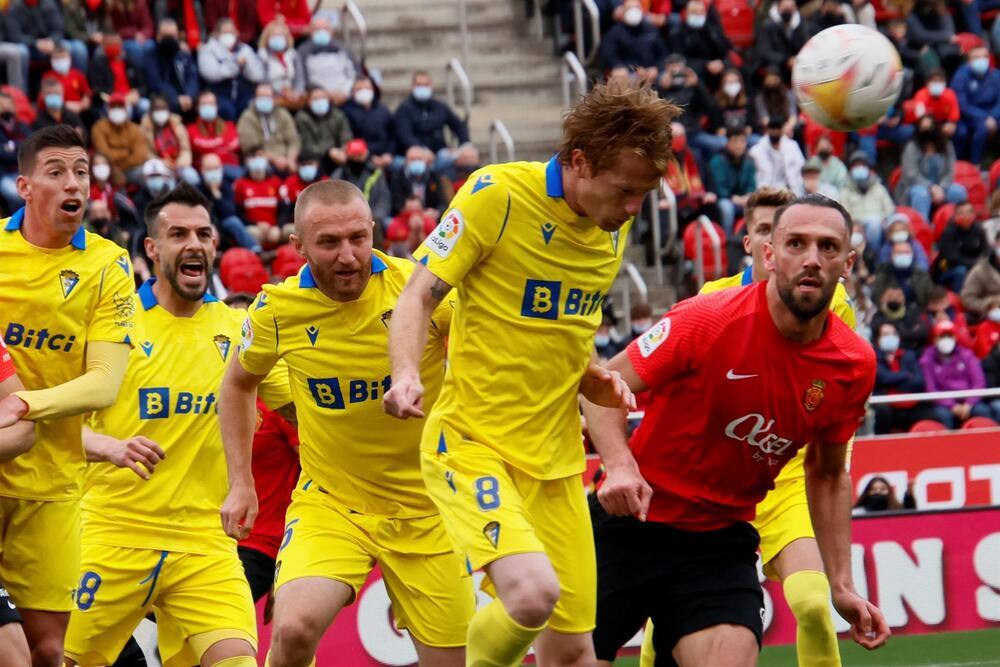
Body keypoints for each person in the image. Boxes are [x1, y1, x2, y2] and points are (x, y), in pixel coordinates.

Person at [382, 79, 675, 667]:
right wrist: (406, 373)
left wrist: (591, 376)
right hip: (472, 444)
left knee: (573, 655)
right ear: (580, 161)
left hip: (559, 464)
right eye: (624, 191)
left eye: (643, 195)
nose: (632, 209)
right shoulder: (497, 195)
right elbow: (418, 293)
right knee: (532, 594)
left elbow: (563, 333)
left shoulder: (607, 233)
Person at [585, 195, 889, 666]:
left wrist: (842, 583)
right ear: (769, 254)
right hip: (632, 522)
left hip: (719, 541)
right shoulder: (707, 317)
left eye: (828, 247)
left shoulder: (853, 364)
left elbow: (827, 474)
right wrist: (620, 466)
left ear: (847, 263)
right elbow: (601, 389)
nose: (811, 259)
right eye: (796, 244)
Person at [219, 180, 475, 666]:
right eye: (329, 243)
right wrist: (240, 483)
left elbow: (486, 359)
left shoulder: (421, 290)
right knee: (293, 629)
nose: (349, 255)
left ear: (374, 230)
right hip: (333, 503)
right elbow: (236, 385)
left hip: (429, 509)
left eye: (359, 237)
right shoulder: (278, 309)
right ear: (297, 247)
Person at [63, 184, 291, 667]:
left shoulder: (238, 330)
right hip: (111, 534)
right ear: (152, 247)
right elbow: (53, 429)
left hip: (205, 543)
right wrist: (108, 446)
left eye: (204, 234)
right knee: (55, 656)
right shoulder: (113, 326)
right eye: (178, 233)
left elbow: (307, 415)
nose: (194, 243)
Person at [0, 126, 137, 667]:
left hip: (52, 481)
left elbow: (103, 383)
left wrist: (22, 406)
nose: (72, 182)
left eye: (80, 171)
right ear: (26, 186)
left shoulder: (107, 265)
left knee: (47, 650)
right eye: (56, 171)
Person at [920, 319, 992, 426]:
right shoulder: (927, 360)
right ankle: (946, 443)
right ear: (935, 339)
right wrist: (952, 406)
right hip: (943, 403)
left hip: (969, 400)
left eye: (949, 336)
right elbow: (931, 388)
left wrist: (969, 404)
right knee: (943, 415)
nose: (946, 340)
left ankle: (988, 441)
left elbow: (979, 382)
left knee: (982, 411)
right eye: (942, 336)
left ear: (955, 338)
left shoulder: (967, 355)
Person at [896, 115, 967, 221]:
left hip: (942, 186)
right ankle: (923, 227)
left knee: (959, 191)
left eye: (929, 128)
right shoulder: (911, 147)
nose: (927, 132)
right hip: (917, 186)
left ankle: (953, 224)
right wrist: (931, 187)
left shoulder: (946, 145)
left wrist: (941, 188)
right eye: (923, 128)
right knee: (921, 194)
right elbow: (911, 174)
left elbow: (950, 171)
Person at [872, 321, 938, 434]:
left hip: (910, 404)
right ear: (877, 339)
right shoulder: (873, 357)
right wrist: (906, 375)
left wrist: (895, 382)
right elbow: (884, 378)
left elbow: (919, 381)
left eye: (894, 334)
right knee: (882, 414)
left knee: (934, 416)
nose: (891, 337)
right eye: (886, 334)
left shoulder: (909, 355)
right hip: (887, 406)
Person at [197, 18, 265, 121]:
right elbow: (211, 74)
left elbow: (258, 75)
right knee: (227, 111)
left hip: (244, 94)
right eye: (225, 32)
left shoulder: (245, 49)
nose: (229, 35)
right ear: (217, 34)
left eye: (231, 32)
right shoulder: (208, 49)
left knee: (250, 109)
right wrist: (235, 65)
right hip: (219, 94)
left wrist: (246, 66)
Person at [394, 70, 470, 155]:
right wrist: (422, 150)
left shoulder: (440, 107)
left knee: (469, 155)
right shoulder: (404, 109)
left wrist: (465, 144)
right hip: (415, 153)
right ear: (413, 86)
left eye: (426, 84)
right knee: (416, 157)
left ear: (431, 86)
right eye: (419, 85)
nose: (422, 88)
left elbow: (458, 125)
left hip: (440, 152)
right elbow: (405, 136)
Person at [199, 153, 262, 252]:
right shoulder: (197, 189)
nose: (213, 172)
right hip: (208, 225)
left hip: (225, 226)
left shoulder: (226, 186)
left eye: (216, 168)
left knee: (233, 222)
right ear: (202, 170)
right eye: (209, 169)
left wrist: (216, 194)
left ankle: (256, 250)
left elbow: (230, 212)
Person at [950, 45, 1000, 165]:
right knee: (977, 129)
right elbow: (963, 105)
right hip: (969, 116)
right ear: (969, 60)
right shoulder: (960, 76)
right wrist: (984, 118)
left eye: (984, 56)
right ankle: (973, 164)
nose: (981, 60)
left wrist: (993, 117)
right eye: (977, 57)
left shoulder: (996, 75)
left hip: (993, 115)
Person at [237, 83, 300, 175]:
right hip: (262, 160)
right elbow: (252, 149)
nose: (264, 100)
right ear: (255, 98)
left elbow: (294, 140)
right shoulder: (247, 117)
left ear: (274, 98)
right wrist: (275, 159)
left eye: (267, 97)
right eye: (260, 96)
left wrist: (290, 160)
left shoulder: (283, 114)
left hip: (286, 158)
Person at [599, 0, 667, 83]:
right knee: (619, 76)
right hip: (628, 73)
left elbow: (662, 54)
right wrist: (621, 67)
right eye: (629, 8)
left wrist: (657, 68)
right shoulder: (614, 33)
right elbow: (608, 56)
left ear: (642, 10)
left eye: (636, 8)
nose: (633, 11)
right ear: (623, 11)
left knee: (666, 78)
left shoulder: (652, 30)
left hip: (650, 73)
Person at [667, 0, 732, 85]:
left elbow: (726, 51)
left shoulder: (712, 29)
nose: (698, 15)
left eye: (701, 12)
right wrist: (705, 65)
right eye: (694, 12)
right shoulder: (677, 33)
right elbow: (679, 60)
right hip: (694, 73)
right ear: (686, 14)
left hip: (717, 71)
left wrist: (722, 63)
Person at [91, 92, 150, 187]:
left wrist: (120, 163)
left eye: (120, 107)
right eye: (114, 107)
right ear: (108, 109)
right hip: (109, 170)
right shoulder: (99, 127)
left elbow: (141, 155)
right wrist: (126, 152)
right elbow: (104, 154)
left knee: (146, 172)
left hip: (130, 169)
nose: (117, 110)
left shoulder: (134, 129)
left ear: (126, 110)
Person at [331, 138, 392, 229]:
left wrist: (374, 218)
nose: (356, 159)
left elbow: (384, 198)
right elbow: (333, 201)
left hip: (374, 219)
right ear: (347, 155)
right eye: (353, 155)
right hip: (345, 220)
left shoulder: (376, 173)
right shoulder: (338, 175)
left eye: (359, 155)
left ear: (366, 154)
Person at [142, 18, 199, 115]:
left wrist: (189, 96)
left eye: (172, 36)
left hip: (187, 97)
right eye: (165, 36)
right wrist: (176, 98)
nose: (169, 40)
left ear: (177, 36)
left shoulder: (183, 54)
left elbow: (193, 78)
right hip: (165, 97)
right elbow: (155, 82)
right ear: (158, 36)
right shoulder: (151, 55)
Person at [141, 93, 199, 186]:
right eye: (157, 109)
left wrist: (181, 162)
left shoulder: (177, 124)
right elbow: (145, 153)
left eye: (163, 109)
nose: (160, 112)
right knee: (167, 184)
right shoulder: (145, 128)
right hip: (159, 165)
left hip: (179, 164)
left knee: (192, 177)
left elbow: (185, 149)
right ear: (151, 111)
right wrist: (161, 162)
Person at [840, 151, 895, 248]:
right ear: (851, 170)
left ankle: (874, 253)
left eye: (862, 165)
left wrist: (884, 220)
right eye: (856, 166)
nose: (859, 168)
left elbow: (890, 209)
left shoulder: (878, 187)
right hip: (856, 225)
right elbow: (843, 213)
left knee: (876, 223)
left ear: (868, 169)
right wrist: (855, 224)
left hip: (878, 225)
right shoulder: (846, 190)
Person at [297, 16, 357, 103]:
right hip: (317, 97)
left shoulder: (342, 48)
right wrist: (321, 94)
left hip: (343, 95)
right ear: (310, 32)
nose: (321, 32)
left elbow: (354, 73)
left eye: (325, 29)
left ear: (331, 31)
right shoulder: (302, 51)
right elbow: (302, 77)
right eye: (317, 29)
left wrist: (345, 92)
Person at [708, 124, 755, 235]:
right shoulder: (717, 161)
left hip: (742, 199)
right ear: (727, 143)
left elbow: (751, 185)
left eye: (742, 141)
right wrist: (734, 198)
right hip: (725, 199)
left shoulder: (749, 161)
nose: (739, 145)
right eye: (735, 141)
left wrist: (748, 196)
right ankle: (727, 240)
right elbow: (719, 188)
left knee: (756, 206)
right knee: (726, 208)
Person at [234, 150, 286, 247]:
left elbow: (283, 210)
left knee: (291, 230)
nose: (258, 174)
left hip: (274, 227)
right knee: (251, 233)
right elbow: (238, 213)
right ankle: (258, 255)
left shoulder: (276, 182)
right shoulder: (241, 183)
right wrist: (256, 224)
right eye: (255, 172)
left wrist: (278, 226)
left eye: (260, 172)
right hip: (254, 227)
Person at [294, 87, 352, 173]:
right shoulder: (302, 118)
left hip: (338, 156)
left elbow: (346, 137)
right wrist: (329, 151)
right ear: (308, 101)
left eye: (322, 98)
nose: (319, 101)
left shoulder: (337, 115)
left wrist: (343, 150)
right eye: (315, 98)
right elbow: (307, 145)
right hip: (314, 159)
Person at [188, 90, 243, 179]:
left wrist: (212, 147)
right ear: (197, 107)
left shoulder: (229, 125)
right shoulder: (191, 129)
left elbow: (235, 144)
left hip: (231, 168)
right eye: (204, 104)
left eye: (211, 103)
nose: (208, 106)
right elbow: (199, 146)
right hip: (206, 171)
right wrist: (222, 144)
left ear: (217, 106)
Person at [342, 77, 395, 168]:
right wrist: (369, 156)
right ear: (353, 92)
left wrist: (389, 154)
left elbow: (392, 135)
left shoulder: (383, 109)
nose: (364, 92)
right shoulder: (346, 112)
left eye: (367, 88)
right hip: (360, 156)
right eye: (359, 89)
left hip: (385, 155)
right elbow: (348, 139)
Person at [936, 200, 989, 291]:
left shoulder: (978, 228)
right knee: (961, 270)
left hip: (974, 265)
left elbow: (987, 249)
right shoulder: (949, 233)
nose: (966, 216)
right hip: (947, 270)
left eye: (969, 212)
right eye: (962, 213)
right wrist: (977, 263)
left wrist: (986, 260)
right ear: (955, 216)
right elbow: (953, 260)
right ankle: (961, 299)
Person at [256, 20, 306, 111]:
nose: (278, 39)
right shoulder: (262, 56)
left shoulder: (293, 54)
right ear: (267, 38)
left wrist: (296, 92)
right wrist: (282, 93)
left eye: (281, 36)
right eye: (274, 36)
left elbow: (299, 78)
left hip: (292, 95)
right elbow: (262, 80)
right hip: (271, 95)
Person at [754, 0, 808, 82]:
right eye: (785, 9)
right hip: (776, 64)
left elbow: (805, 46)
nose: (787, 12)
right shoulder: (768, 25)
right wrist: (786, 60)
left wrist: (797, 59)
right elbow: (765, 53)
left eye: (790, 9)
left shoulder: (801, 25)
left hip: (796, 63)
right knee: (773, 71)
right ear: (778, 7)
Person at [749, 115, 805, 193]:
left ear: (782, 130)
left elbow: (800, 165)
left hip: (787, 189)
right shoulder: (758, 149)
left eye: (777, 129)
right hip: (765, 189)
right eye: (772, 129)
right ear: (767, 130)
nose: (775, 132)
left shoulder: (792, 146)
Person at [873, 240, 934, 309]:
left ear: (912, 255)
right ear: (891, 255)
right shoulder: (883, 275)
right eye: (899, 252)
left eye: (906, 252)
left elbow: (929, 300)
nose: (903, 255)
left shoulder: (922, 275)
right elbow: (877, 300)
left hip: (916, 314)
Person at [390, 146, 445, 216]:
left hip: (430, 216)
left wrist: (436, 212)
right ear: (406, 161)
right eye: (412, 159)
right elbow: (396, 203)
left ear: (426, 161)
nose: (416, 162)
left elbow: (443, 202)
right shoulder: (398, 177)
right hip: (406, 216)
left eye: (419, 159)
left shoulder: (434, 177)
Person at [0, 92, 30, 215]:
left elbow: (30, 146)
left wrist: (11, 146)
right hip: (3, 175)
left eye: (8, 104)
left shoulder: (21, 126)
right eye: (2, 105)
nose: (6, 108)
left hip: (24, 171)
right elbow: (1, 155)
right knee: (16, 194)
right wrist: (18, 149)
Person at [961, 230, 1000, 321]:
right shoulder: (979, 271)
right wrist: (989, 302)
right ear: (995, 246)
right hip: (992, 313)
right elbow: (968, 300)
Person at [910, 69, 959, 138]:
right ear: (927, 83)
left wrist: (951, 123)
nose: (937, 84)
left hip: (943, 124)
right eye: (934, 81)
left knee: (961, 131)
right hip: (927, 124)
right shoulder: (920, 95)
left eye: (940, 81)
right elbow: (920, 115)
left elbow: (954, 114)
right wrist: (924, 120)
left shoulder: (950, 94)